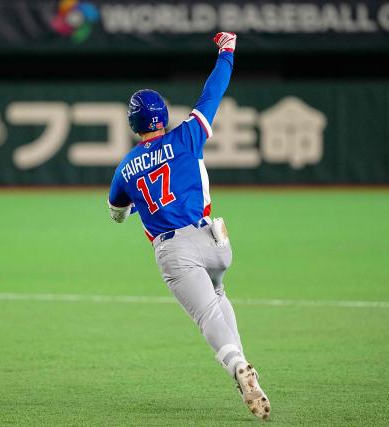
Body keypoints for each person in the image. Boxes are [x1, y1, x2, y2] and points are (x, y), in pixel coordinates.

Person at [107, 32, 270, 420]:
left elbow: (116, 212)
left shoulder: (126, 167)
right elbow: (213, 91)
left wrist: (129, 206)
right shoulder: (187, 135)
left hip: (175, 251)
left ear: (134, 124)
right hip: (215, 241)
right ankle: (245, 367)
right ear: (163, 113)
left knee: (207, 317)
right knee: (218, 293)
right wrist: (227, 51)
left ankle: (238, 367)